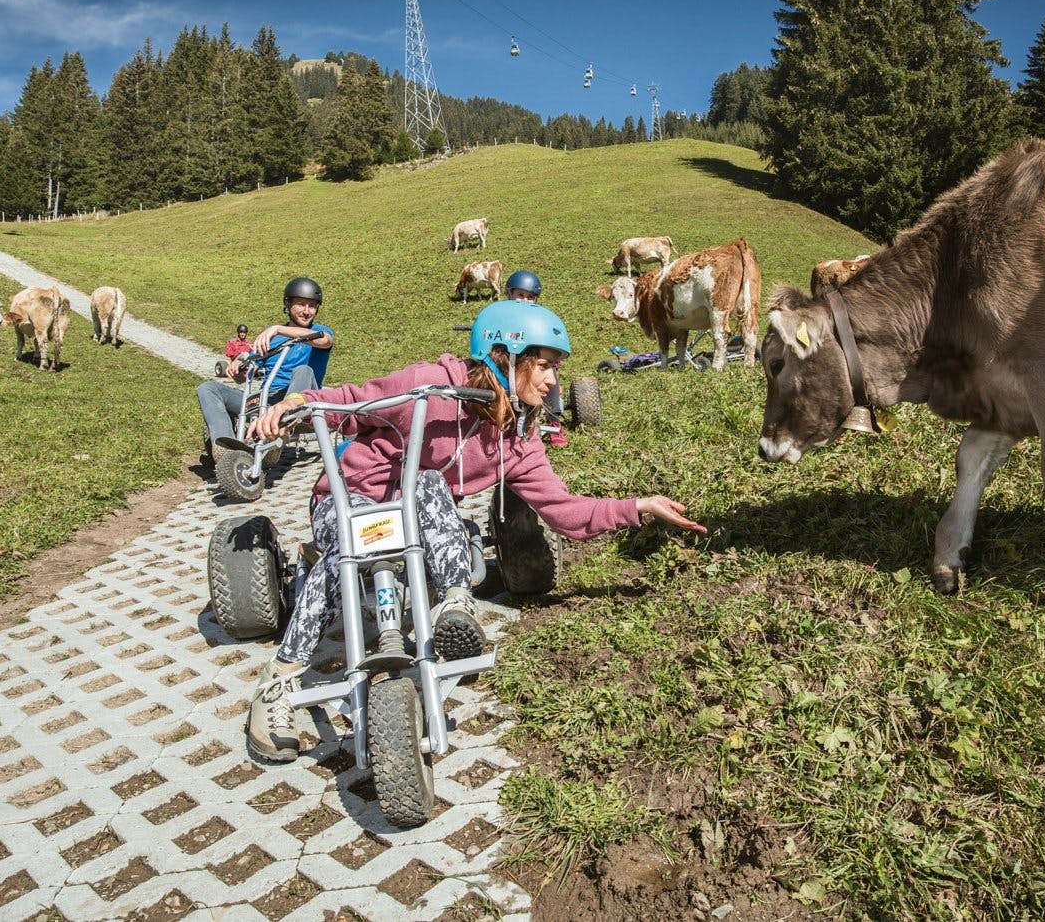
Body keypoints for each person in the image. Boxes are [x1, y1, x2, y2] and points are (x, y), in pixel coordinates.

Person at [243, 300, 705, 762]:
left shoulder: (518, 441)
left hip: (415, 520)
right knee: (351, 545)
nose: (552, 382)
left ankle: (455, 604)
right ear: (505, 356)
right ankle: (279, 681)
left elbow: (565, 511)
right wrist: (295, 404)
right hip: (351, 500)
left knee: (425, 482)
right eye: (543, 366)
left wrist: (639, 506)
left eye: (556, 370)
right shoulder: (431, 386)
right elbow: (350, 401)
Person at [197, 278, 334, 453]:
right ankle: (225, 448)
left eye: (312, 306)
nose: (307, 311)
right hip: (265, 400)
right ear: (288, 304)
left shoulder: (318, 331)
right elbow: (243, 378)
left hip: (302, 401)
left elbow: (325, 341)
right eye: (301, 304)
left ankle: (281, 423)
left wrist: (277, 329)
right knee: (208, 388)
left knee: (303, 370)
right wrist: (238, 367)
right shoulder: (270, 338)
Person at [501, 270, 567, 445]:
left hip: (534, 362)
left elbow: (549, 341)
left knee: (549, 380)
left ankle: (554, 422)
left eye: (530, 297)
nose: (524, 300)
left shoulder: (539, 318)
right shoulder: (500, 315)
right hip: (507, 362)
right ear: (509, 293)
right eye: (520, 295)